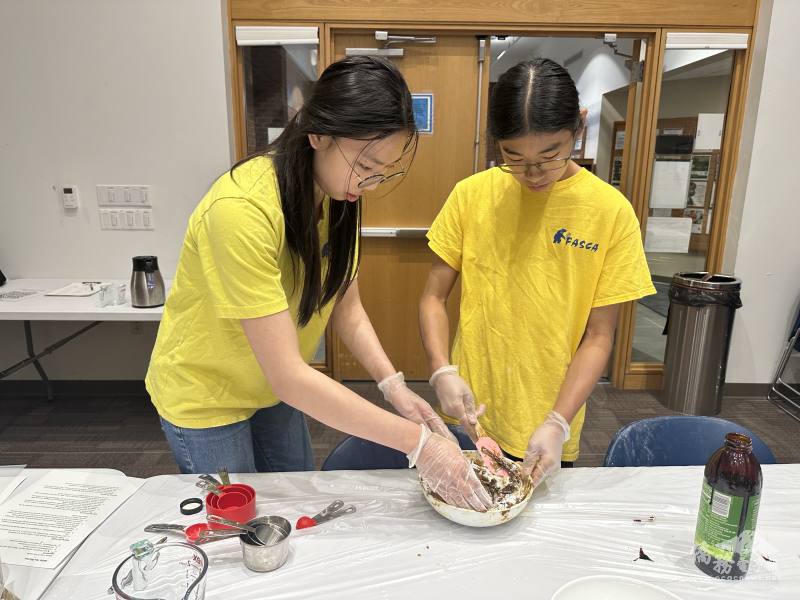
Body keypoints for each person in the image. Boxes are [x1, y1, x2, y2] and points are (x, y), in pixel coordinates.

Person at [145, 56, 491, 511]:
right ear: (317, 134)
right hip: (207, 395)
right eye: (365, 164)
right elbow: (290, 375)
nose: (370, 183)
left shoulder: (337, 193)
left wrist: (393, 385)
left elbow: (345, 302)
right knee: (241, 527)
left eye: (381, 171)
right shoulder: (241, 210)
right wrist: (419, 445)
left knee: (300, 504)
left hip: (270, 387)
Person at [419, 58, 656, 488]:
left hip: (549, 420)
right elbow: (433, 297)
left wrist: (558, 421)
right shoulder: (471, 196)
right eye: (514, 157)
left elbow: (600, 336)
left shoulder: (611, 212)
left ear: (579, 126)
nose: (532, 174)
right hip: (469, 410)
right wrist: (440, 369)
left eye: (550, 154)